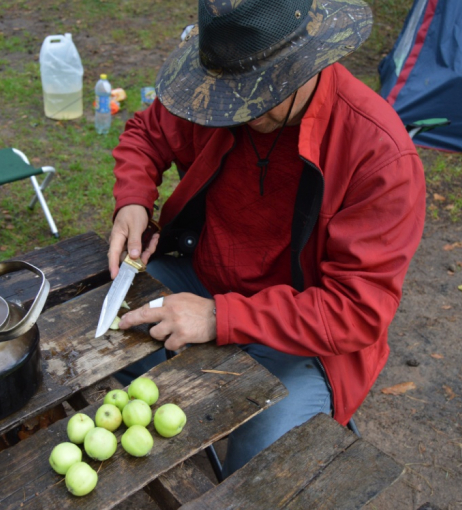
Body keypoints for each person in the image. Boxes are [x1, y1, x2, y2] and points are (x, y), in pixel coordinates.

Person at [108, 0, 426, 477]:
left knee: (258, 457)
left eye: (255, 92)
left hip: (304, 336)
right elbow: (148, 132)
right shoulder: (217, 96)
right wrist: (133, 198)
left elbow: (357, 311)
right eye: (228, 90)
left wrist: (220, 317)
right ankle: (194, 420)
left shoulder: (379, 155)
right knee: (110, 334)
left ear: (306, 62)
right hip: (202, 277)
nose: (236, 107)